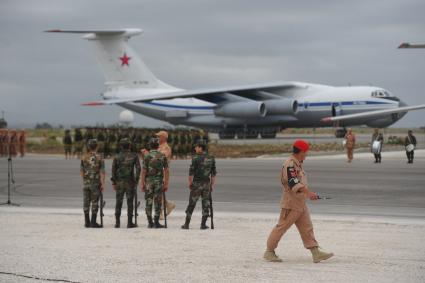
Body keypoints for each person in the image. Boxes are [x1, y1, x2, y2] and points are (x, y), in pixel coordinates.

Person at [264, 140, 334, 263]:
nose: (307, 154)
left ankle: (315, 252)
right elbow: (293, 182)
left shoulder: (297, 163)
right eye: (306, 152)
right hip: (291, 203)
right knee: (281, 227)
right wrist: (309, 193)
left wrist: (307, 194)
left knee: (307, 227)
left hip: (300, 202)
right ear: (301, 151)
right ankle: (269, 251)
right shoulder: (290, 164)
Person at [181, 140, 216, 230]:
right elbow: (213, 174)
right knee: (206, 204)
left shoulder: (195, 158)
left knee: (191, 204)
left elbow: (191, 173)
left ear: (201, 147)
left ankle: (186, 224)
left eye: (196, 147)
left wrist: (190, 183)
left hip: (196, 184)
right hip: (206, 184)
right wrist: (212, 185)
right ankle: (203, 224)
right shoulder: (211, 157)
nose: (195, 148)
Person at [111, 138, 141, 228]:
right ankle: (129, 222)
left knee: (118, 202)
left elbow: (113, 170)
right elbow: (138, 168)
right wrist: (136, 179)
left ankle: (117, 222)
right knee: (130, 202)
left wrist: (114, 182)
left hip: (119, 182)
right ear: (129, 145)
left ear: (121, 146)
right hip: (130, 182)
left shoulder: (116, 156)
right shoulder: (134, 156)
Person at [140, 138, 169, 228]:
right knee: (158, 202)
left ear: (149, 145)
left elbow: (144, 171)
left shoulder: (147, 156)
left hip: (149, 181)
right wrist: (166, 183)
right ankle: (156, 222)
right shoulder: (162, 155)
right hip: (159, 181)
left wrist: (142, 183)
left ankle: (149, 222)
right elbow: (166, 171)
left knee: (148, 201)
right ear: (158, 146)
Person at [80, 139, 105, 228]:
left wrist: (86, 180)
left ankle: (87, 222)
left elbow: (81, 171)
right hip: (95, 182)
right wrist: (102, 183)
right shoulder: (100, 157)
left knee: (86, 202)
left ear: (88, 147)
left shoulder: (84, 157)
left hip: (86, 182)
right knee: (95, 202)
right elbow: (102, 172)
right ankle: (93, 222)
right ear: (97, 146)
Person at [155, 130, 176, 219]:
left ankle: (160, 213)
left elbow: (161, 157)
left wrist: (149, 154)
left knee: (157, 193)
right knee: (157, 193)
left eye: (159, 136)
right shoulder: (158, 147)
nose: (157, 138)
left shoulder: (166, 148)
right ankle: (168, 205)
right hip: (156, 171)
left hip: (162, 172)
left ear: (164, 137)